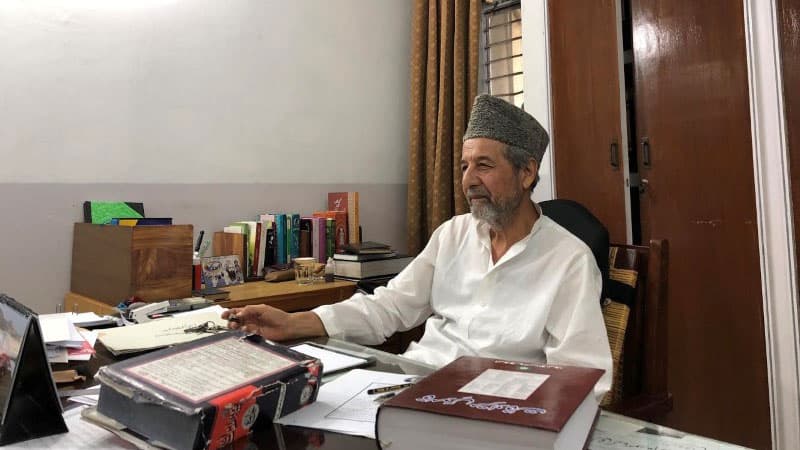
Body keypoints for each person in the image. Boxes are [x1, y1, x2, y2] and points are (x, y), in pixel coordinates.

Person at [224, 94, 613, 398]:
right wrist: (294, 322)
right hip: (411, 385)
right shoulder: (453, 235)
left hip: (492, 409)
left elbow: (583, 379)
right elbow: (390, 307)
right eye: (464, 166)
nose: (468, 180)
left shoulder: (569, 260)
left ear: (527, 172)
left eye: (484, 165)